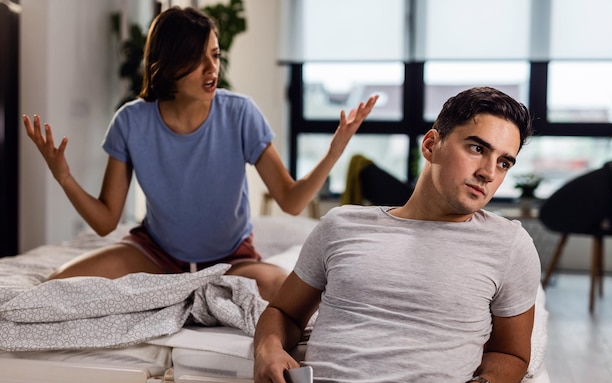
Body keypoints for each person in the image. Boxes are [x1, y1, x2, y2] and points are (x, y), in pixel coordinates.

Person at [22, 6, 377, 301]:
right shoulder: (131, 121)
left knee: (297, 296)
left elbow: (291, 201)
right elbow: (105, 222)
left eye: (215, 55)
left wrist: (334, 150)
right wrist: (64, 177)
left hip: (231, 260)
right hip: (156, 255)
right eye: (198, 59)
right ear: (170, 63)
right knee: (56, 285)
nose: (213, 69)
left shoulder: (240, 113)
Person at [253, 86, 539, 383]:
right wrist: (267, 348)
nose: (489, 173)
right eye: (477, 148)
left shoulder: (509, 245)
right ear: (432, 145)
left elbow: (513, 354)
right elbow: (284, 312)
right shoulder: (341, 226)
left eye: (504, 162)